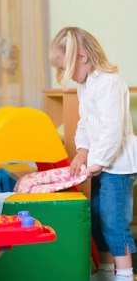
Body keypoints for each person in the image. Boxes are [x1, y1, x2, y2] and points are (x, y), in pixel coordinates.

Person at [49, 26, 137, 281]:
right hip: (100, 165)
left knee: (114, 222)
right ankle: (108, 271)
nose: (62, 75)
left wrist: (98, 161)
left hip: (117, 167)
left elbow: (112, 128)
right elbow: (85, 123)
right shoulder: (85, 85)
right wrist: (82, 152)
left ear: (82, 57)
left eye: (63, 68)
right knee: (98, 219)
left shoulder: (108, 82)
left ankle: (124, 274)